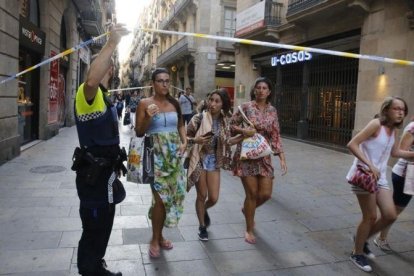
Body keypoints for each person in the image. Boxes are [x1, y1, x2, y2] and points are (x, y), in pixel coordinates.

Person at [72, 23, 129, 276]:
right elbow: (92, 79)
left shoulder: (103, 97)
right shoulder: (88, 94)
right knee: (95, 226)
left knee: (103, 224)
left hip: (105, 177)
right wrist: (111, 43)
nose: (111, 68)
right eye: (106, 64)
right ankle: (90, 270)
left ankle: (96, 264)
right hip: (93, 179)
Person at [346, 96, 414, 272]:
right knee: (370, 217)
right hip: (364, 174)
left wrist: (411, 154)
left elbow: (395, 152)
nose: (400, 112)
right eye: (396, 109)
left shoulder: (394, 130)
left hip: (381, 177)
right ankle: (357, 253)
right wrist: (369, 164)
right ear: (386, 110)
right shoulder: (376, 124)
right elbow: (352, 144)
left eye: (403, 110)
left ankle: (361, 238)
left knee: (390, 215)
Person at [135, 68, 187, 258]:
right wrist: (148, 117)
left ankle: (160, 234)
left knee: (172, 197)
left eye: (167, 80)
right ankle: (155, 239)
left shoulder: (175, 103)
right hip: (156, 157)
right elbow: (139, 132)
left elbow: (181, 124)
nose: (164, 84)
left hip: (174, 158)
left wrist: (185, 141)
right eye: (160, 80)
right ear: (153, 83)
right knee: (160, 201)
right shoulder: (144, 103)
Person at [229, 77, 287, 245]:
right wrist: (244, 130)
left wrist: (282, 157)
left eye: (264, 88)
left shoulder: (272, 110)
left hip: (263, 155)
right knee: (252, 194)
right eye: (258, 87)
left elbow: (275, 134)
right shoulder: (245, 107)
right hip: (246, 155)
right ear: (254, 90)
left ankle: (247, 208)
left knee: (266, 194)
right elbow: (231, 126)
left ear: (269, 92)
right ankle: (249, 229)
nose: (261, 90)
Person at [186, 89, 232, 241]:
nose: (212, 104)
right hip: (199, 157)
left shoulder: (226, 120)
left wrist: (244, 135)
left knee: (213, 198)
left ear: (223, 104)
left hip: (214, 160)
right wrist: (196, 140)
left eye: (217, 101)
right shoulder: (198, 118)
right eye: (211, 100)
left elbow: (229, 140)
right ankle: (202, 226)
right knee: (202, 195)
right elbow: (185, 138)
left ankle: (203, 209)